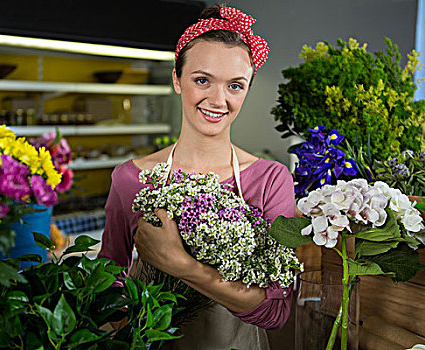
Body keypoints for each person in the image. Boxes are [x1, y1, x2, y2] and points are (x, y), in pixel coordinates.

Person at [98, 4, 295, 349]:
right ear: (177, 79)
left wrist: (181, 265)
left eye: (235, 86)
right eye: (202, 80)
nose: (218, 100)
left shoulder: (270, 180)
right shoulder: (129, 179)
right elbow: (107, 282)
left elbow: (276, 312)